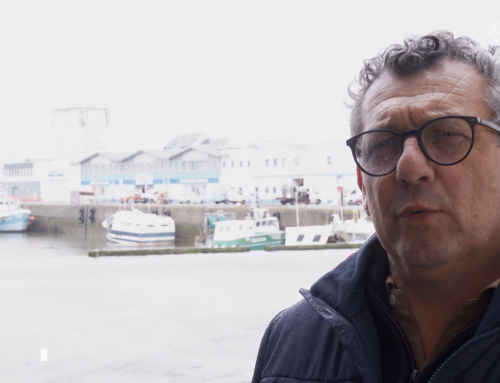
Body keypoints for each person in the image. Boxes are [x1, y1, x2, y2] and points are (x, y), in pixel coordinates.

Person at [252, 31, 500, 383]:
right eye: (383, 144)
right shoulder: (291, 341)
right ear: (362, 186)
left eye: (447, 134)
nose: (409, 167)